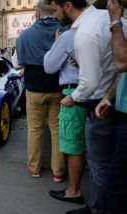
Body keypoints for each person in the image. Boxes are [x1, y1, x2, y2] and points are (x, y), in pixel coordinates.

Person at [46, 0, 127, 214]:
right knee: (111, 163)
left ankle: (97, 210)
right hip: (114, 100)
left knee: (99, 162)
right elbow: (113, 64)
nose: (54, 15)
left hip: (98, 105)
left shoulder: (85, 33)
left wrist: (72, 98)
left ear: (68, 5)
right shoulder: (108, 20)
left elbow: (89, 83)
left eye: (55, 10)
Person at [16, 0, 65, 181]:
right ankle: (58, 172)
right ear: (54, 10)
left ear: (37, 13)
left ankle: (34, 168)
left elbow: (19, 63)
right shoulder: (65, 32)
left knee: (35, 130)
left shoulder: (24, 35)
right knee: (57, 130)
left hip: (35, 88)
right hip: (58, 87)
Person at [95, 0, 127, 214]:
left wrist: (115, 21)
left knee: (114, 186)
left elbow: (122, 61)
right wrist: (108, 96)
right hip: (121, 113)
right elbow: (122, 72)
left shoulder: (118, 22)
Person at [44, 28, 86, 203]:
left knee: (73, 146)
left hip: (73, 90)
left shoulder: (69, 35)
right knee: (83, 144)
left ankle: (73, 191)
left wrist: (57, 42)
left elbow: (49, 66)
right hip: (90, 90)